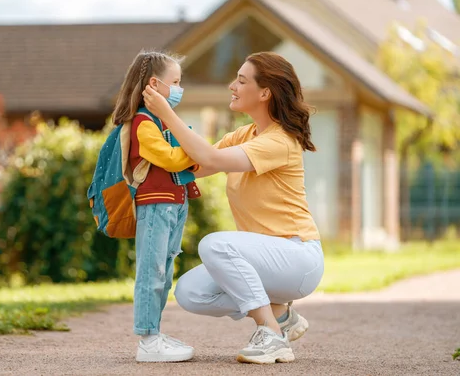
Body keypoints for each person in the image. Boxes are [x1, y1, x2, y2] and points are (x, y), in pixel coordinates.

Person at [142, 51, 324, 365]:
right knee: (189, 292)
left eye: (241, 80)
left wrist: (167, 113)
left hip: (298, 256)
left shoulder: (279, 141)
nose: (232, 86)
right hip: (265, 261)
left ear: (264, 92)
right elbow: (196, 164)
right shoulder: (245, 135)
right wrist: (145, 139)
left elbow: (212, 160)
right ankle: (281, 316)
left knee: (214, 244)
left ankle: (271, 335)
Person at [111, 50, 201, 362]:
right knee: (152, 272)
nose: (179, 88)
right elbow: (171, 158)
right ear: (154, 84)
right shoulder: (143, 123)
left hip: (174, 204)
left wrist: (188, 141)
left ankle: (155, 333)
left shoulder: (163, 122)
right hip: (155, 206)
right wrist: (194, 145)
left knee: (164, 272)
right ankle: (147, 341)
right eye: (175, 82)